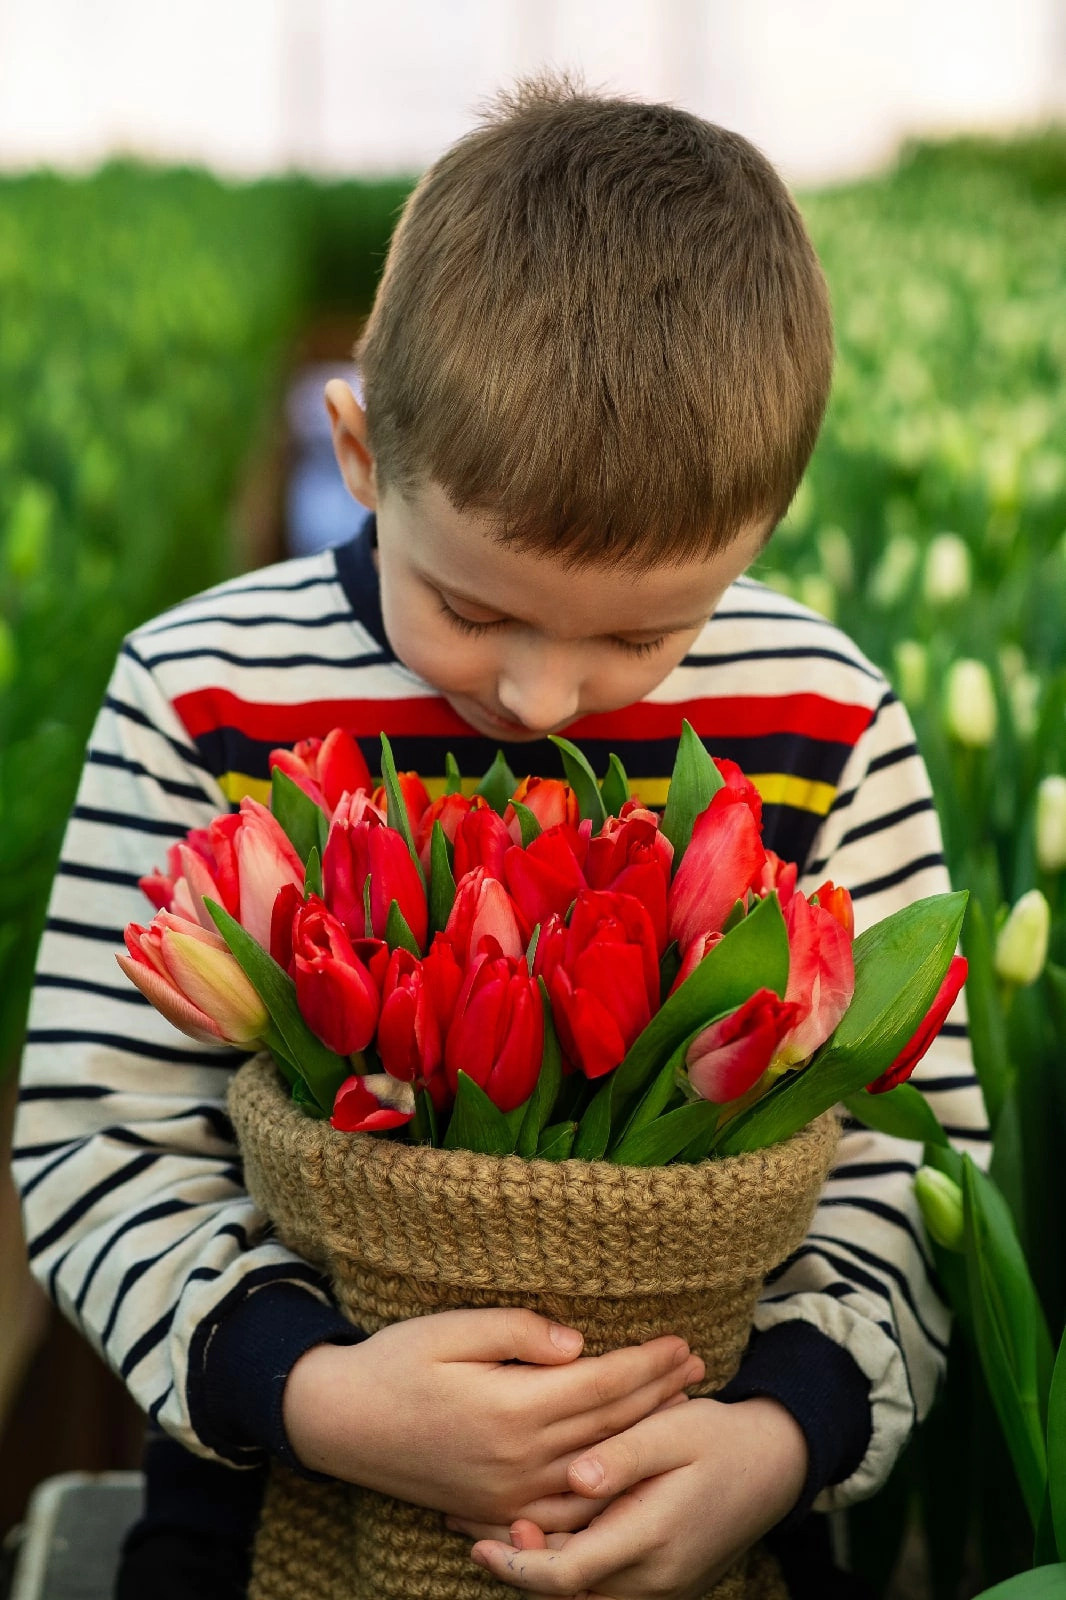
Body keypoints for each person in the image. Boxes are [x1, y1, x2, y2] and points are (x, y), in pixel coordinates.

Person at [13, 77, 987, 1600]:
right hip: (269, 1470)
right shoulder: (205, 691)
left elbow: (907, 1166)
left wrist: (781, 1438)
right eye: (470, 607)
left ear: (766, 524)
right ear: (356, 452)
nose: (539, 698)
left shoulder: (821, 711)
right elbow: (98, 1135)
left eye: (643, 636)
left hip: (698, 1477)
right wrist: (318, 1395)